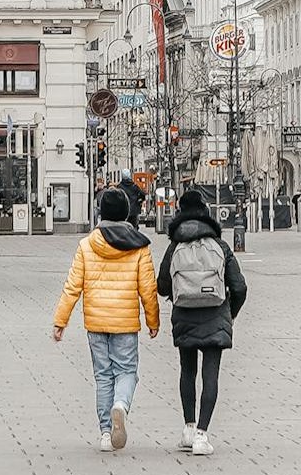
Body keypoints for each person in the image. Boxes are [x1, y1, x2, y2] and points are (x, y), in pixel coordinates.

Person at [53, 188, 159, 453]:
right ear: (126, 213)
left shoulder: (88, 244)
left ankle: (104, 433)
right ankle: (121, 405)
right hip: (125, 322)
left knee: (103, 376)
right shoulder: (139, 245)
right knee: (126, 371)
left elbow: (72, 286)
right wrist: (153, 320)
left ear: (101, 212)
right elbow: (148, 288)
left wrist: (60, 321)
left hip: (96, 322)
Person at [157, 189, 247, 457]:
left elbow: (162, 286)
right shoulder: (219, 246)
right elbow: (239, 286)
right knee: (211, 374)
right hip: (215, 313)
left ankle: (187, 427)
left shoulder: (175, 246)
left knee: (187, 371)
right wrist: (231, 312)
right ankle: (202, 435)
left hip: (184, 313)